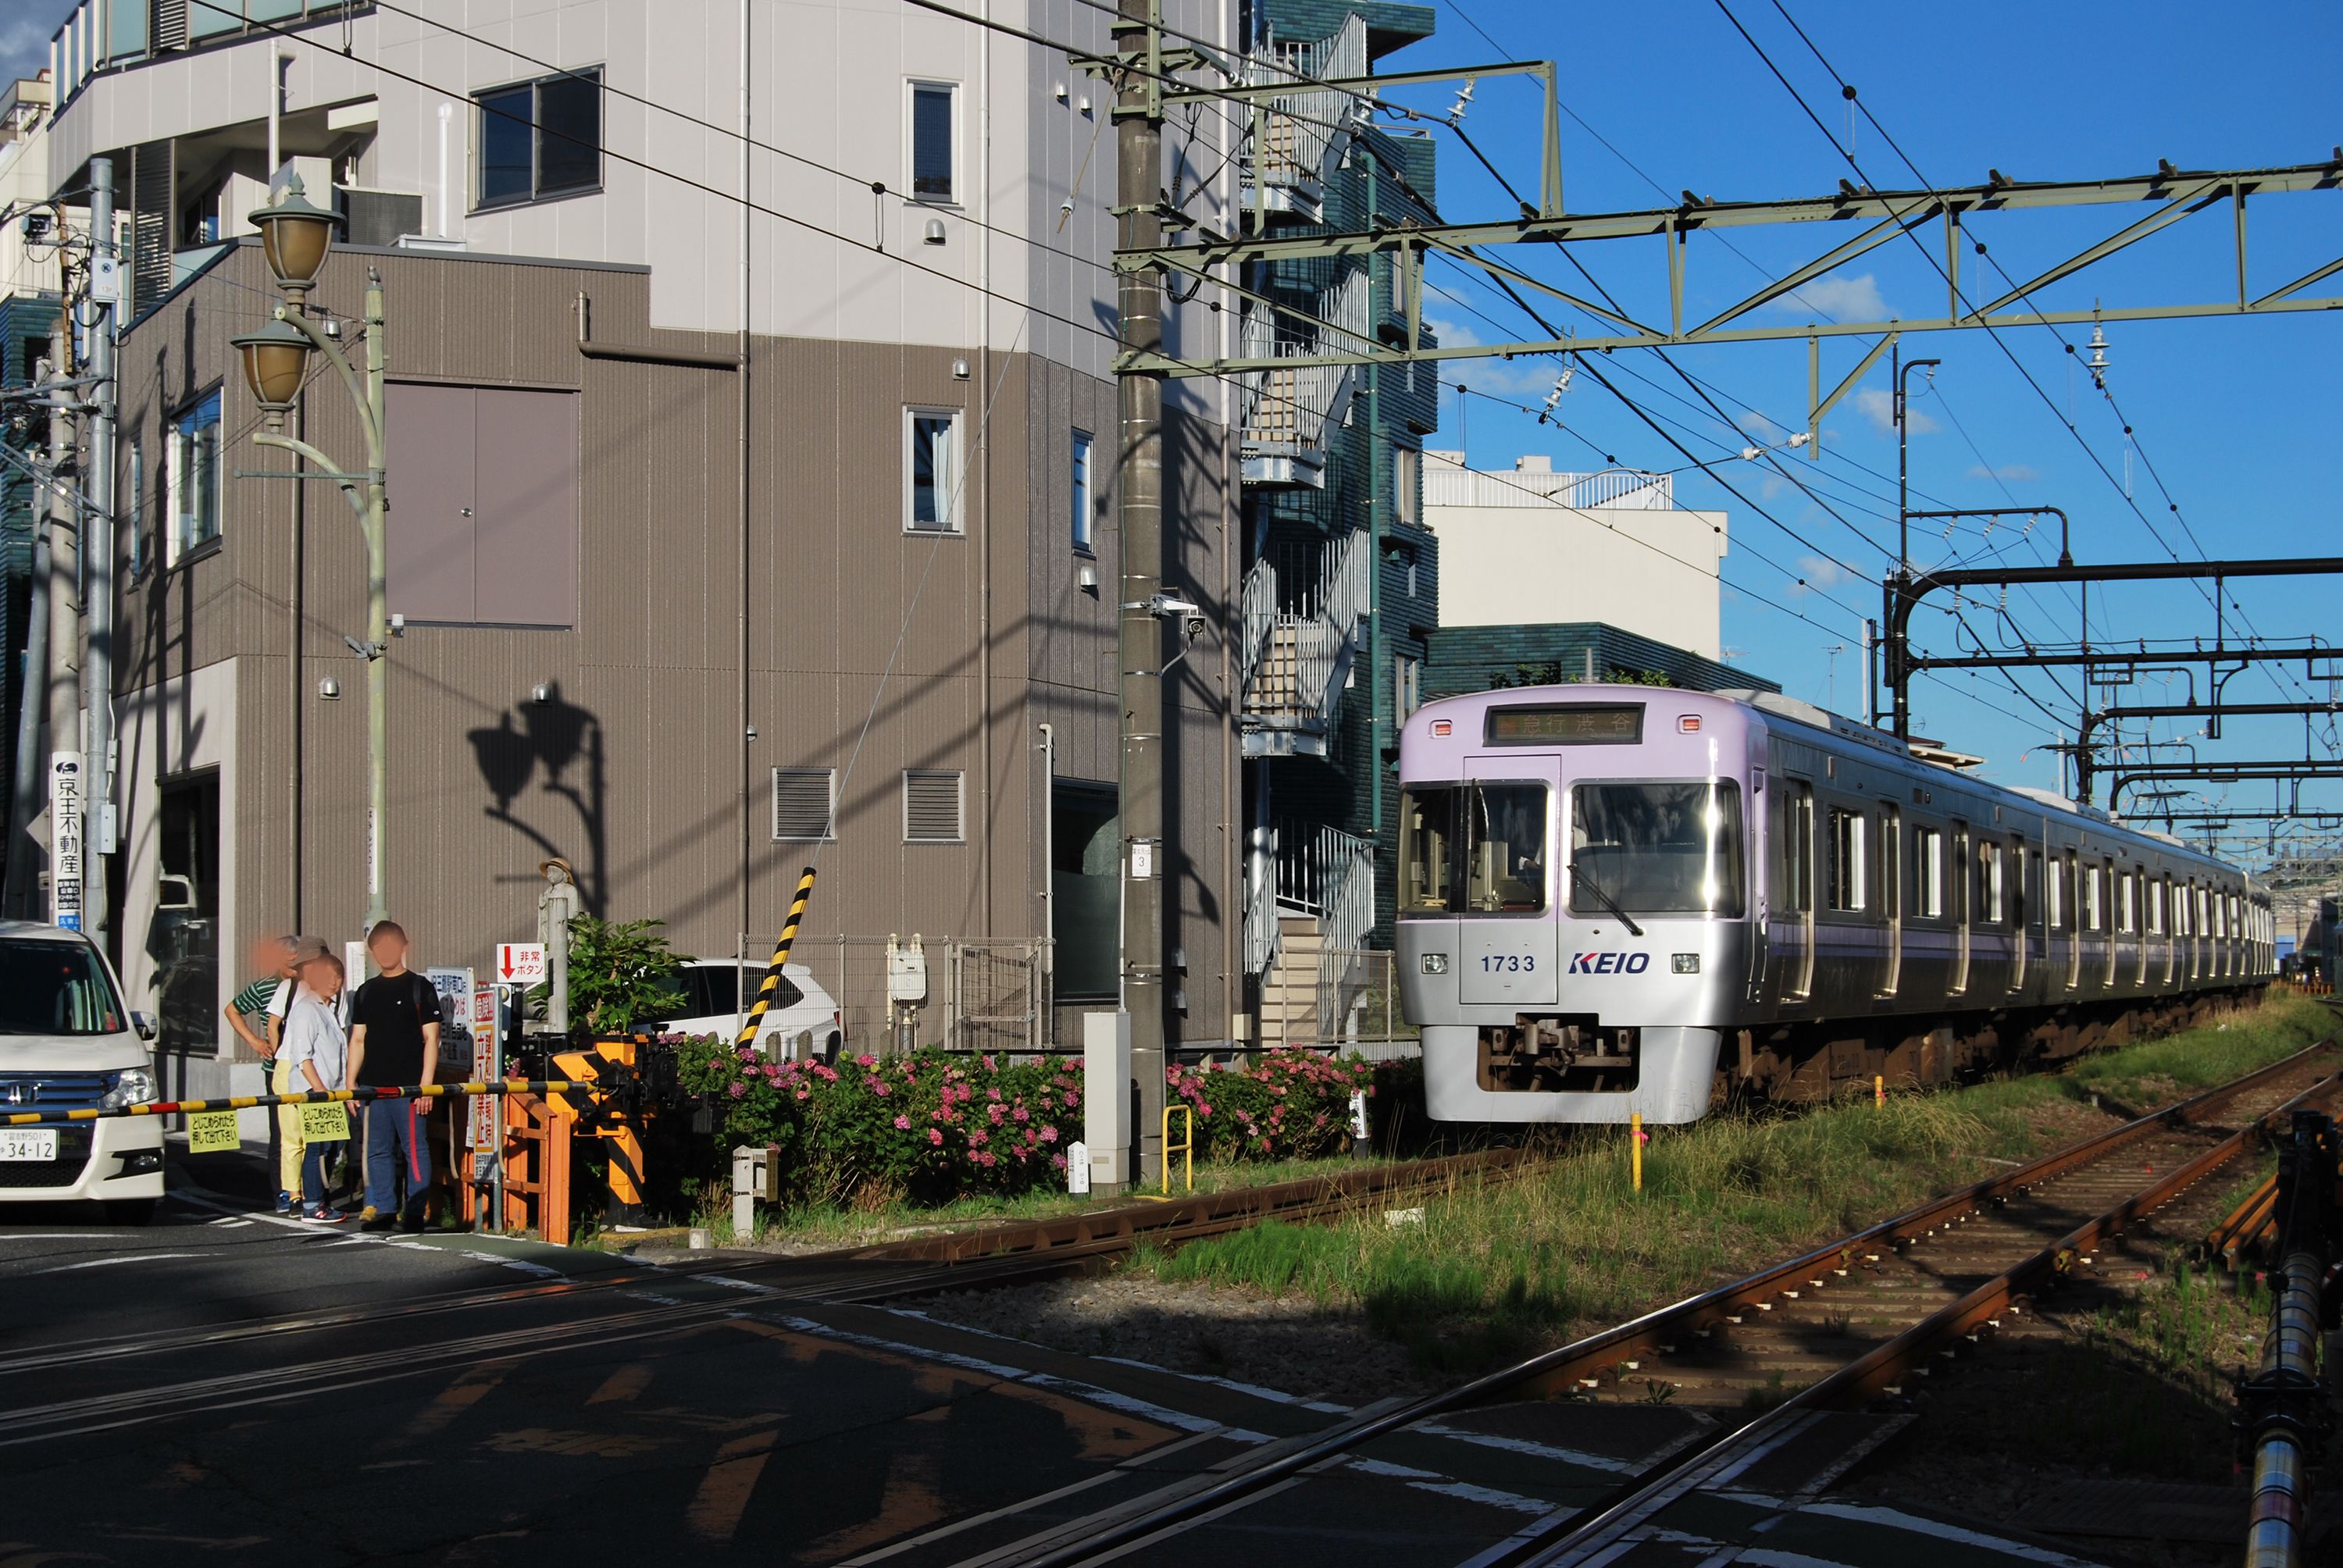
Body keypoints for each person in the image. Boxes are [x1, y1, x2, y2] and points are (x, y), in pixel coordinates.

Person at [348, 920, 442, 1234]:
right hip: (372, 1087)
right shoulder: (365, 992)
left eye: (391, 944)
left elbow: (432, 1039)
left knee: (414, 1148)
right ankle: (385, 1209)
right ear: (372, 951)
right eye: (379, 946)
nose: (385, 951)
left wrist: (426, 1085)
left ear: (404, 946)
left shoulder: (420, 987)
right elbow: (358, 1039)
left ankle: (414, 1212)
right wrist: (351, 1083)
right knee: (377, 1149)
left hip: (409, 1087)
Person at [223, 935, 305, 1213]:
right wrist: (255, 1041)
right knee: (281, 1133)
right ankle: (282, 1191)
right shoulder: (264, 987)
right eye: (294, 962)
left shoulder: (310, 986)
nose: (297, 967)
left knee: (307, 1133)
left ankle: (305, 1189)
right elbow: (232, 1009)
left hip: (309, 1069)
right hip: (276, 1069)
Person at [280, 950, 351, 1224]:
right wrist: (320, 1090)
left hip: (332, 1091)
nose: (333, 981)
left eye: (338, 976)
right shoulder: (307, 1009)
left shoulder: (328, 1009)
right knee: (317, 1148)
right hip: (315, 1091)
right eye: (327, 976)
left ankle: (321, 1200)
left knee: (332, 1147)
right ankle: (312, 1204)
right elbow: (302, 1056)